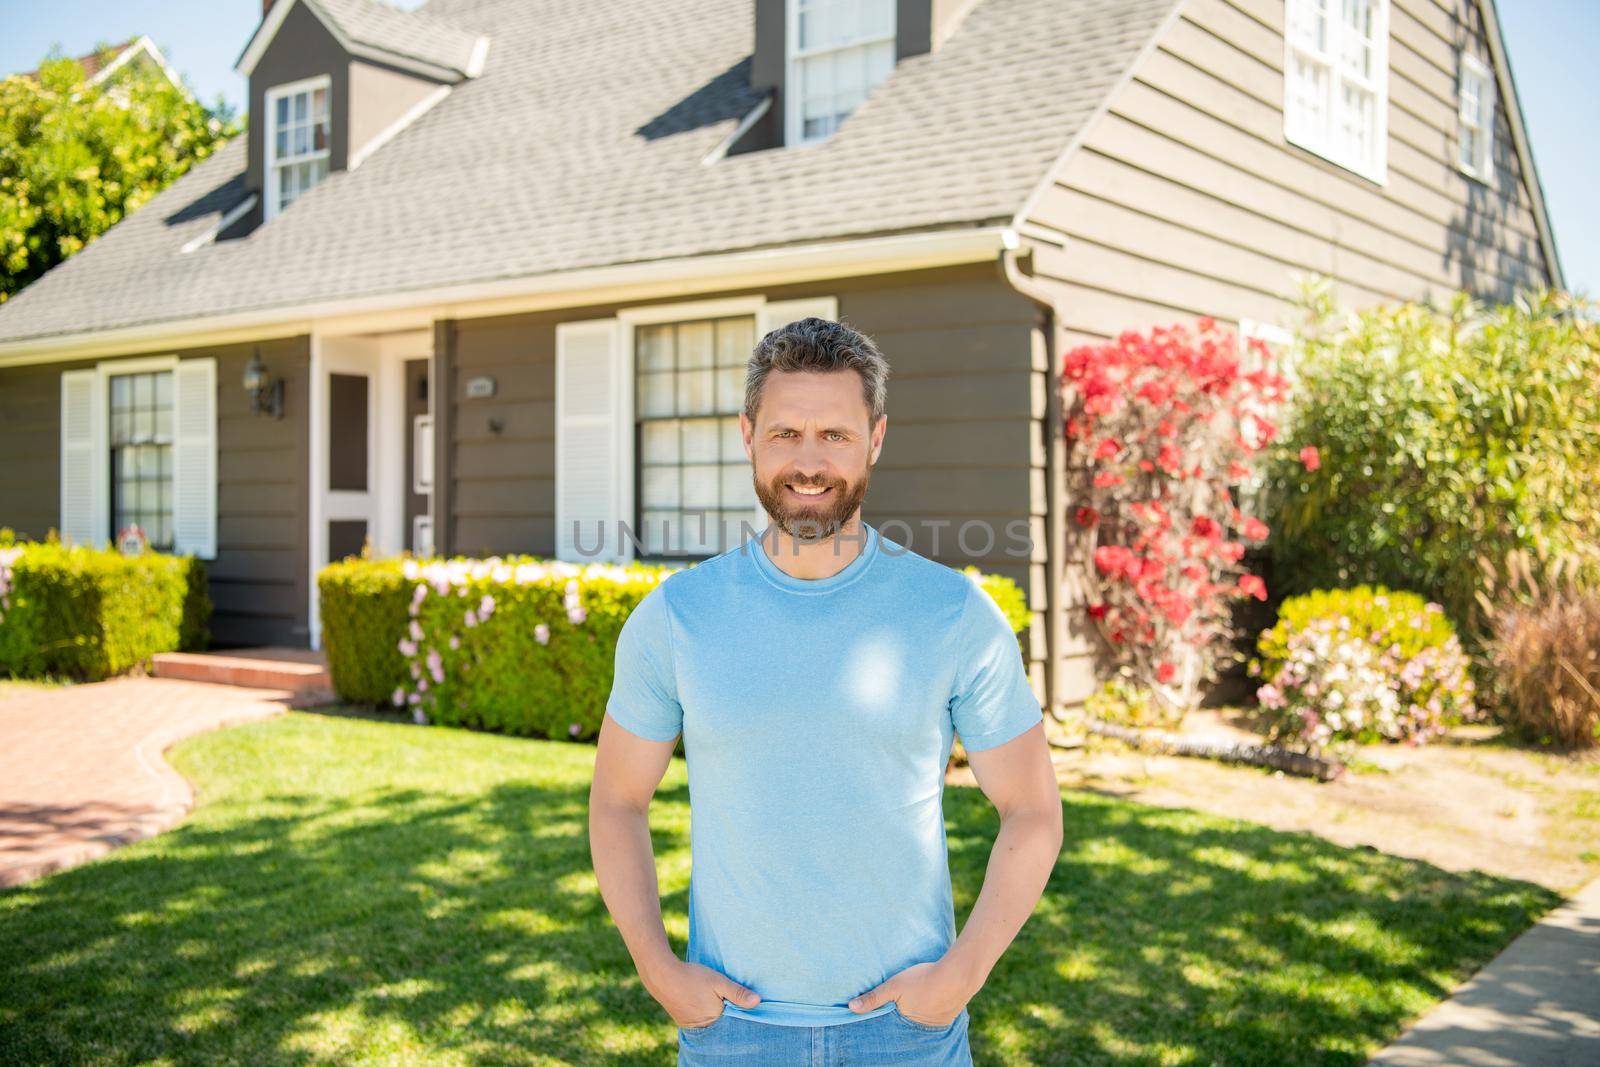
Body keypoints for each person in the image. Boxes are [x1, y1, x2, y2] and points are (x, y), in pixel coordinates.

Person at [588, 317, 1063, 1065]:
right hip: (732, 1036)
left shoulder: (954, 613)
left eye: (835, 436)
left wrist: (956, 981)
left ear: (875, 438)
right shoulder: (678, 617)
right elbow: (617, 802)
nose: (809, 462)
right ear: (748, 434)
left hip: (910, 1036)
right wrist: (659, 970)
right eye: (786, 433)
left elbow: (1033, 811)